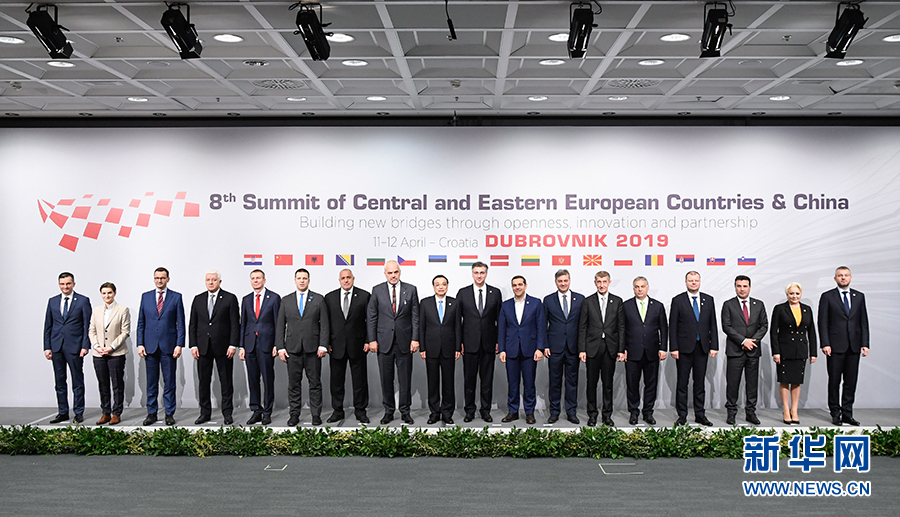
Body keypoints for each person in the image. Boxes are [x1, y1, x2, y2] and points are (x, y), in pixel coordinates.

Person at [367, 260, 420, 425]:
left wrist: (415, 338)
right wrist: (372, 340)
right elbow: (371, 317)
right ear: (385, 274)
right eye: (389, 273)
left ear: (400, 272)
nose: (393, 275)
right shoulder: (377, 290)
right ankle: (388, 411)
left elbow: (415, 317)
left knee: (405, 380)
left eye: (395, 272)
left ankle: (405, 412)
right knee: (386, 379)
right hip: (384, 343)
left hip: (405, 342)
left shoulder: (411, 289)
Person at [276, 268, 329, 426]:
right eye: (299, 278)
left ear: (309, 280)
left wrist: (323, 345)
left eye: (304, 278)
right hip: (292, 350)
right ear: (295, 280)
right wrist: (280, 347)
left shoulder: (318, 299)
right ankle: (294, 415)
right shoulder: (286, 300)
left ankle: (316, 415)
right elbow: (280, 326)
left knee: (315, 384)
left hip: (313, 349)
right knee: (294, 384)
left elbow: (325, 325)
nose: (302, 281)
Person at [818, 266, 869, 426]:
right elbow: (822, 322)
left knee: (850, 382)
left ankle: (847, 413)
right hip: (834, 346)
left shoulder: (859, 296)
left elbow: (863, 322)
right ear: (835, 279)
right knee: (834, 381)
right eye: (840, 275)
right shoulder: (827, 296)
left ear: (850, 278)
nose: (843, 278)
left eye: (846, 275)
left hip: (854, 346)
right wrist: (825, 343)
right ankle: (835, 413)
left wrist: (865, 343)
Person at [189, 270, 240, 425]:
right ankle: (205, 413)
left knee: (226, 381)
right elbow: (193, 324)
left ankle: (227, 413)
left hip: (224, 347)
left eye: (214, 280)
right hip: (203, 347)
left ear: (220, 281)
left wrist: (233, 344)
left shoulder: (230, 298)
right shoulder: (198, 299)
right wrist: (193, 345)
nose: (210, 282)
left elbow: (235, 324)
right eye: (208, 280)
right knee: (203, 382)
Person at [136, 267, 185, 426]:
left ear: (168, 279)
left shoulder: (176, 297)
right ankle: (151, 413)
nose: (159, 280)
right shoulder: (145, 297)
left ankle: (169, 414)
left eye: (162, 278)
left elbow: (181, 323)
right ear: (154, 279)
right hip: (149, 346)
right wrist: (140, 343)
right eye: (157, 278)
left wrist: (179, 344)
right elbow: (141, 322)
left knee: (169, 382)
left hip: (169, 346)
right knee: (151, 383)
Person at [669, 271, 718, 427]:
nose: (694, 283)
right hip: (683, 349)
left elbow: (713, 324)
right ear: (686, 282)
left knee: (700, 383)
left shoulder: (708, 300)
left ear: (700, 281)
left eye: (696, 280)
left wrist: (714, 346)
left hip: (702, 348)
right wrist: (674, 347)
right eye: (691, 280)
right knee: (682, 383)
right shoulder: (678, 300)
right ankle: (682, 415)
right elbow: (673, 326)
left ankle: (700, 414)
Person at [578, 271, 626, 427]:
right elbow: (582, 327)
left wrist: (621, 349)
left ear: (609, 282)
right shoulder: (588, 301)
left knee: (608, 384)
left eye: (604, 281)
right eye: (599, 282)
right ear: (595, 283)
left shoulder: (617, 301)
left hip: (610, 348)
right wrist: (582, 349)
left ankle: (607, 415)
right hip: (592, 348)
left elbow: (621, 327)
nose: (602, 285)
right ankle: (592, 415)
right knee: (591, 383)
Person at [324, 269, 371, 424]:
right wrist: (326, 343)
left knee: (360, 381)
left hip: (358, 345)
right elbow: (326, 323)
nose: (346, 280)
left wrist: (368, 340)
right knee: (336, 382)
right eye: (343, 278)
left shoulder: (364, 296)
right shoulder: (330, 297)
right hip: (335, 346)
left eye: (348, 277)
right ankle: (338, 411)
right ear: (339, 280)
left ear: (353, 279)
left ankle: (360, 411)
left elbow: (370, 321)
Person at [43, 272, 92, 424]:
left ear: (73, 284)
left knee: (77, 381)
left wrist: (85, 346)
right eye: (62, 284)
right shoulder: (52, 301)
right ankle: (63, 412)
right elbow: (48, 325)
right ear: (59, 284)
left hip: (75, 347)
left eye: (68, 284)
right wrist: (47, 347)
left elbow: (87, 326)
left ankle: (78, 412)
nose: (65, 287)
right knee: (59, 381)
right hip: (56, 346)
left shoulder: (83, 301)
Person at [456, 261, 502, 423]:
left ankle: (485, 410)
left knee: (487, 380)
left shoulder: (495, 293)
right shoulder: (463, 293)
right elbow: (457, 321)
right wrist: (459, 343)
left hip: (489, 343)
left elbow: (500, 320)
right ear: (472, 274)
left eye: (482, 272)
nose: (479, 275)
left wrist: (499, 341)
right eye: (476, 272)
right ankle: (469, 411)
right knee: (469, 380)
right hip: (469, 344)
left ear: (486, 274)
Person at [498, 275, 546, 425]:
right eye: (514, 285)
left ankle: (529, 412)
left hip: (530, 350)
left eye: (520, 284)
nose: (517, 287)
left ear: (525, 286)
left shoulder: (536, 303)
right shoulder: (505, 305)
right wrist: (502, 349)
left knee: (529, 383)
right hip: (511, 349)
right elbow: (501, 329)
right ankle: (513, 411)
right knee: (512, 383)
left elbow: (541, 327)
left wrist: (540, 348)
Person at [720, 275, 767, 425]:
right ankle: (731, 413)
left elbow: (764, 326)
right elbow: (726, 326)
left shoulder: (759, 304)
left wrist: (752, 342)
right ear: (735, 287)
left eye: (745, 286)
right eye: (739, 286)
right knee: (733, 384)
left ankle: (750, 413)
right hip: (735, 350)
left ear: (750, 287)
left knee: (752, 384)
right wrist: (743, 341)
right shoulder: (728, 304)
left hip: (753, 350)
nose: (742, 289)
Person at [622, 276, 667, 426]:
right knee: (632, 384)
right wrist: (622, 349)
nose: (640, 289)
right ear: (633, 288)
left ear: (647, 288)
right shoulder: (626, 305)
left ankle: (648, 412)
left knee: (651, 384)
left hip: (652, 351)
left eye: (642, 286)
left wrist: (663, 348)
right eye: (637, 287)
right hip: (632, 352)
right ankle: (634, 412)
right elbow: (621, 329)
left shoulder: (658, 306)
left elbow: (664, 329)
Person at [770, 282, 817, 425]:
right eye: (791, 293)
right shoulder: (779, 309)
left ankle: (794, 410)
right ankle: (785, 409)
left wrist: (813, 352)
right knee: (784, 380)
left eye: (797, 293)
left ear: (801, 294)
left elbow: (812, 332)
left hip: (801, 350)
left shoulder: (807, 309)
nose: (794, 296)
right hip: (784, 350)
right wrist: (776, 352)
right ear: (787, 294)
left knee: (797, 381)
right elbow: (773, 332)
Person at [239, 269, 281, 425]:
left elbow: (278, 323)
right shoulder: (246, 299)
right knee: (253, 379)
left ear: (264, 280)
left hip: (267, 345)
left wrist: (277, 344)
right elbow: (243, 324)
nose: (255, 280)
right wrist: (241, 346)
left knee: (268, 379)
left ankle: (267, 412)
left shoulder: (274, 298)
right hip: (250, 344)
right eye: (253, 278)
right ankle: (256, 410)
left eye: (258, 278)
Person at [419, 275, 462, 425]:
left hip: (449, 348)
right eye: (437, 284)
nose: (441, 287)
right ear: (433, 287)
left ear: (447, 286)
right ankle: (434, 413)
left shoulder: (455, 303)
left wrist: (457, 347)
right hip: (431, 348)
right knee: (433, 383)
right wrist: (422, 348)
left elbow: (458, 326)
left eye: (444, 284)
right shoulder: (425, 303)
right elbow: (421, 327)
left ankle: (447, 413)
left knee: (448, 383)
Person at [543, 269, 584, 424]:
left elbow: (583, 325)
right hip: (554, 348)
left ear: (569, 281)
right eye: (560, 281)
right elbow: (543, 325)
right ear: (556, 282)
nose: (563, 283)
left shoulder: (580, 299)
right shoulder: (548, 300)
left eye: (565, 280)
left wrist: (582, 347)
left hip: (573, 347)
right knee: (555, 381)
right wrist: (545, 345)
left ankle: (571, 412)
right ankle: (554, 412)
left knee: (572, 382)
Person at [88, 282, 130, 425]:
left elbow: (125, 332)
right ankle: (105, 413)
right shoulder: (96, 310)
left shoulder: (123, 310)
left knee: (117, 384)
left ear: (114, 293)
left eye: (109, 293)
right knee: (103, 384)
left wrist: (111, 347)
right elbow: (91, 331)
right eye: (104, 293)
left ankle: (116, 413)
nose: (107, 296)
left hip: (116, 353)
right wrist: (96, 346)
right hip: (99, 353)